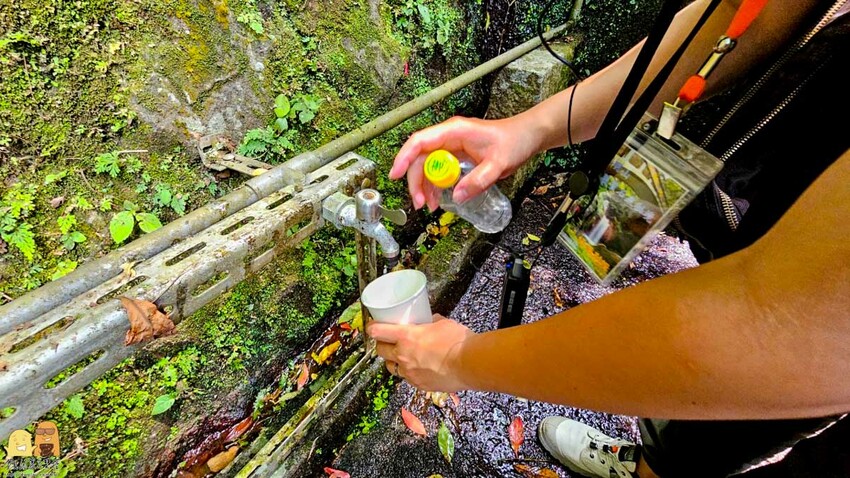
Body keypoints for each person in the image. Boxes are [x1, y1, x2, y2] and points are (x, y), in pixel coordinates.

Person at [367, 0, 850, 476]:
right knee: (686, 440)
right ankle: (650, 460)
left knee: (719, 442)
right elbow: (750, 15)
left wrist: (460, 359)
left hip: (817, 371)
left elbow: (782, 328)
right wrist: (533, 128)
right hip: (762, 202)